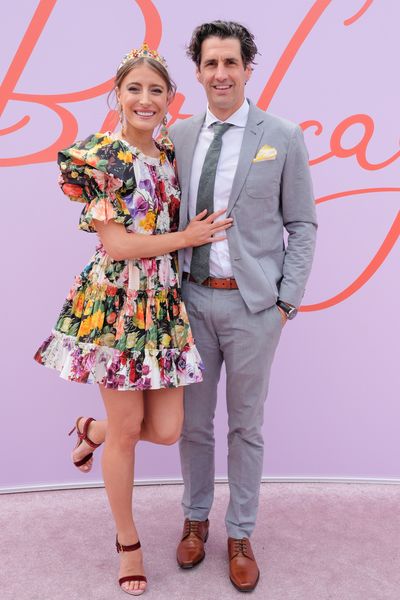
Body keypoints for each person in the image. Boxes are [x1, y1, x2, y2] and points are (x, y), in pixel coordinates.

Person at [34, 43, 232, 596]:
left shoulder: (168, 152)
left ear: (170, 98)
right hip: (117, 304)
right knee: (126, 432)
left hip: (163, 304)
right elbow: (118, 245)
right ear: (117, 95)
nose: (145, 99)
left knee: (166, 430)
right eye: (134, 89)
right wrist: (187, 238)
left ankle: (90, 431)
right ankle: (128, 542)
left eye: (156, 90)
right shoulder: (103, 158)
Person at [169, 21, 317, 592]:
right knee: (193, 425)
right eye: (210, 63)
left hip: (254, 309)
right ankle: (195, 519)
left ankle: (240, 532)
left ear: (248, 69)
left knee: (246, 427)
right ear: (198, 71)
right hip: (190, 302)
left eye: (231, 62)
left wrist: (285, 303)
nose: (221, 74)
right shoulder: (178, 136)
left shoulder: (282, 135)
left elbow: (302, 224)